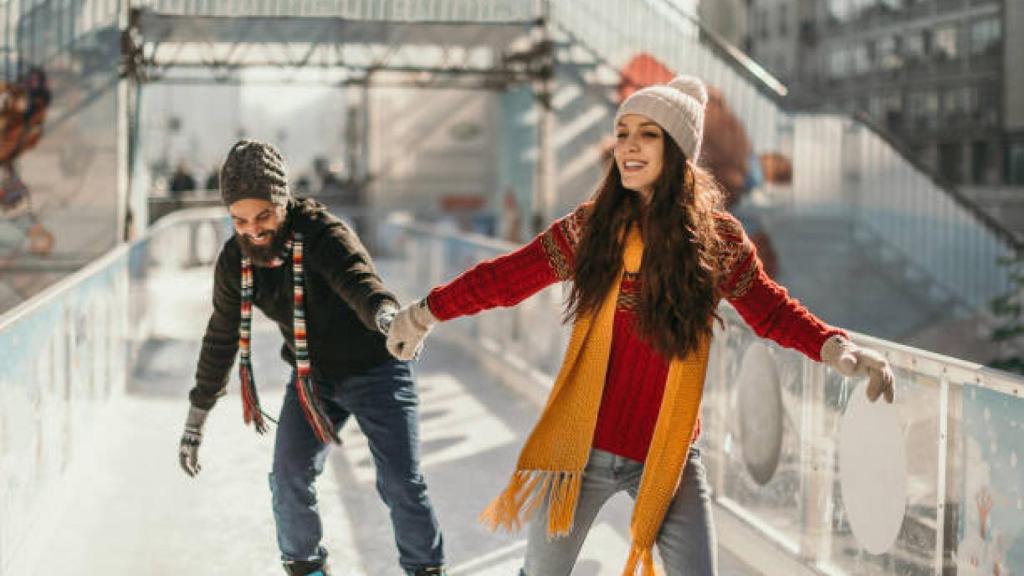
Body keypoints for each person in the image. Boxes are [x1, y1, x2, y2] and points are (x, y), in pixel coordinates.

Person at [386, 76, 894, 576]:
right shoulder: (594, 227)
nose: (628, 146)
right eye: (623, 132)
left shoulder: (718, 239)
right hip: (580, 452)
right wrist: (425, 312)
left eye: (647, 134)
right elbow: (508, 278)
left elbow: (771, 311)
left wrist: (835, 347)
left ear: (676, 150)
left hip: (669, 454)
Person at [177, 140, 447, 576]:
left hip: (377, 368)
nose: (254, 231)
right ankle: (307, 569)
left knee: (401, 483)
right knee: (287, 478)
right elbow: (221, 337)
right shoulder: (235, 261)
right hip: (313, 379)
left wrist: (386, 317)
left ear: (282, 203)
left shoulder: (321, 233)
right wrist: (196, 417)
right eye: (240, 220)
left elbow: (358, 281)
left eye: (264, 216)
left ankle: (425, 569)